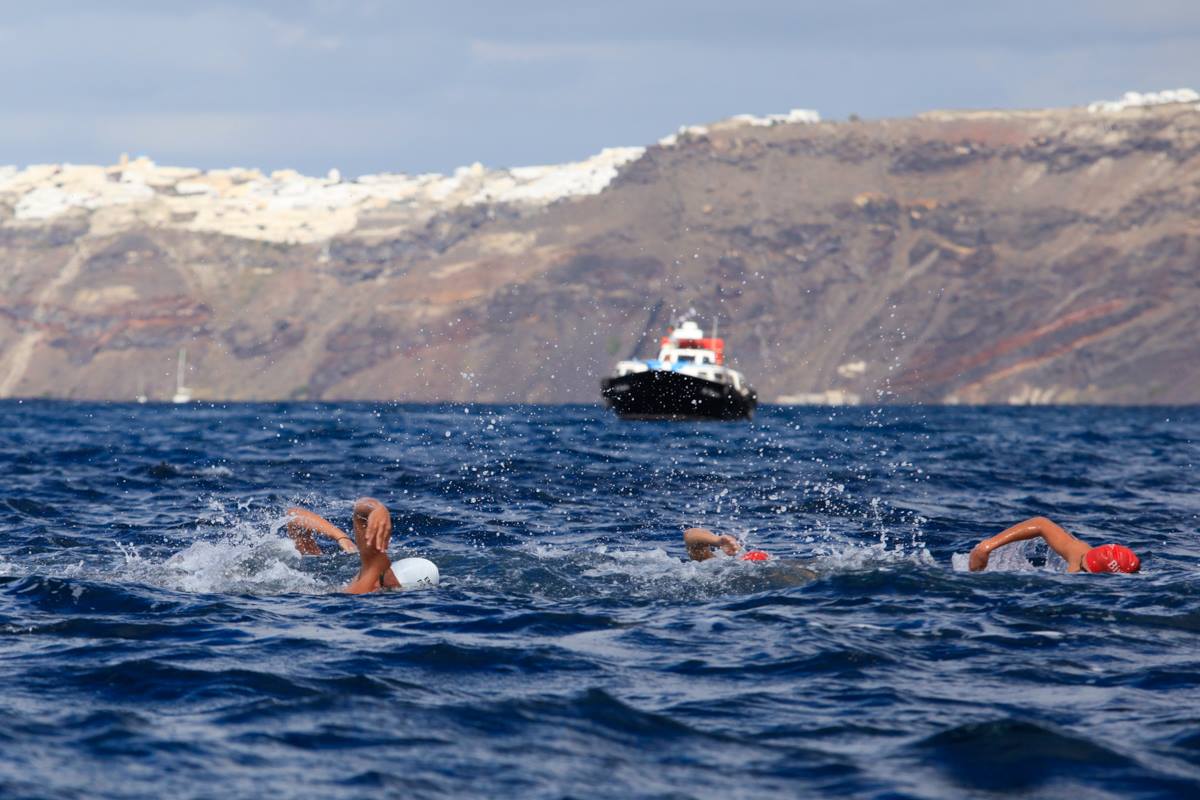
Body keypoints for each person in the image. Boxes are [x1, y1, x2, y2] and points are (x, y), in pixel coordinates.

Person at [286, 496, 403, 593]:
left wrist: (378, 510)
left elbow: (293, 516)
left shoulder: (373, 571)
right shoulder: (376, 571)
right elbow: (293, 515)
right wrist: (342, 538)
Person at [969, 516, 1140, 574]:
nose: (1077, 564)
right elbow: (1042, 524)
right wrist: (988, 546)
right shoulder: (1081, 555)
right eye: (1083, 560)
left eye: (1082, 567)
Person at [683, 527, 770, 561]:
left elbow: (689, 535)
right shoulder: (719, 567)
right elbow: (690, 534)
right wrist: (717, 541)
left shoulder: (716, 571)